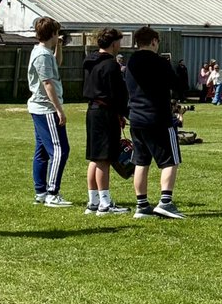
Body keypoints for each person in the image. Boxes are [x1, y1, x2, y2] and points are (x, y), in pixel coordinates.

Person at [125, 25, 184, 219]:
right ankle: (165, 201)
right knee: (170, 160)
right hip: (158, 117)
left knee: (141, 161)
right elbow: (176, 84)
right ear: (153, 42)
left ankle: (142, 205)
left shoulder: (131, 62)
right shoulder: (159, 62)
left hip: (136, 118)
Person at [82, 27, 130, 215]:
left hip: (92, 110)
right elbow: (117, 93)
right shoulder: (110, 65)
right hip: (105, 112)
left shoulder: (90, 61)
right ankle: (105, 203)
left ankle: (93, 201)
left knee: (95, 157)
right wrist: (123, 112)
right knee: (104, 159)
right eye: (119, 41)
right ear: (113, 43)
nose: (120, 45)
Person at [28, 16, 72, 207]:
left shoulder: (43, 52)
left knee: (42, 152)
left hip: (40, 108)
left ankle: (40, 192)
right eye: (57, 33)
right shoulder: (42, 55)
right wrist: (59, 110)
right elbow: (48, 84)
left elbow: (56, 64)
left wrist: (59, 46)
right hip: (46, 108)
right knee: (60, 150)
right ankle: (52, 193)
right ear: (53, 33)